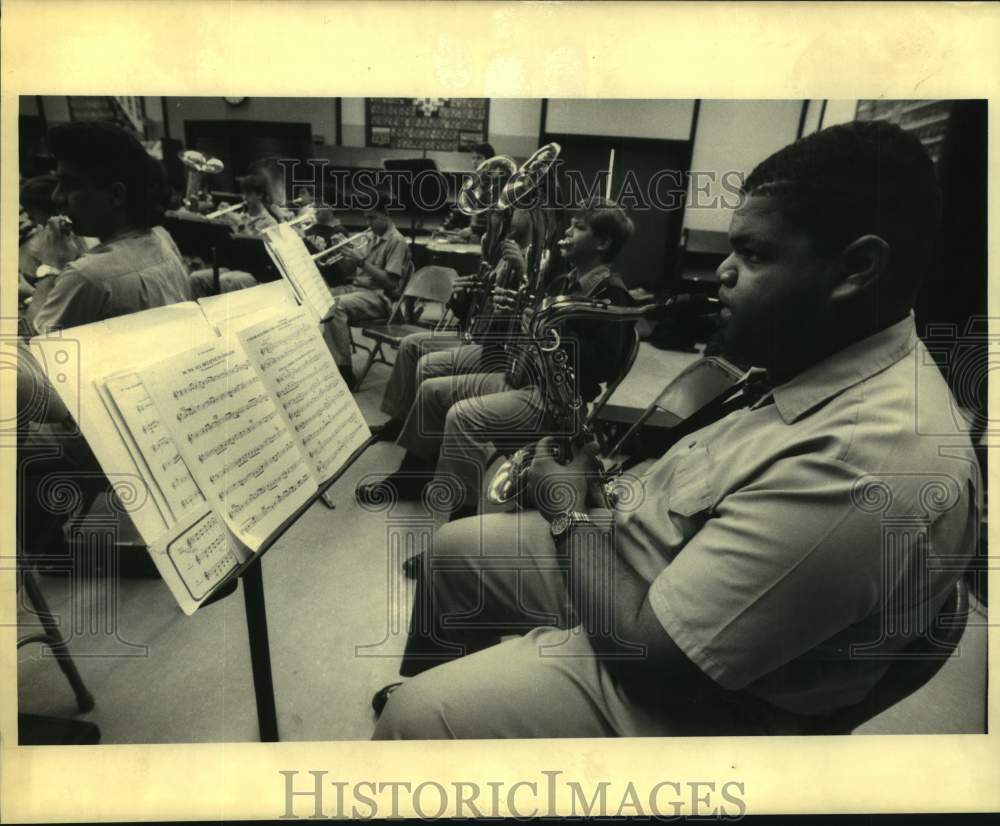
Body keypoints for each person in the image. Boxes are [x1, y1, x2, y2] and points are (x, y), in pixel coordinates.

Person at [372, 120, 979, 739]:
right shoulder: (815, 356)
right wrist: (599, 493)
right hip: (644, 564)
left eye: (755, 254)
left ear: (857, 269)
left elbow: (654, 663)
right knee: (454, 553)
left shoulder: (867, 457)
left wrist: (569, 509)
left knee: (416, 719)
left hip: (673, 678)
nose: (722, 272)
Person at [357, 198, 635, 522]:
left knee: (462, 417)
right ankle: (413, 475)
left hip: (556, 401)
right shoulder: (564, 282)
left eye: (579, 227)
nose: (568, 232)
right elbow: (514, 337)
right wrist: (512, 313)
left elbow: (603, 365)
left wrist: (541, 325)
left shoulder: (612, 294)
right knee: (433, 391)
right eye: (571, 224)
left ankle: (461, 523)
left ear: (601, 242)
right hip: (525, 375)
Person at [18, 120, 192, 567]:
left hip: (98, 439)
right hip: (154, 416)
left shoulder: (84, 276)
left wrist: (49, 269)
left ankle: (33, 540)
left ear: (115, 195)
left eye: (70, 185)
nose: (58, 200)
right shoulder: (163, 241)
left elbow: (41, 377)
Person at [322, 195, 413, 388]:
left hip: (381, 299)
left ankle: (344, 370)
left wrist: (361, 261)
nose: (368, 223)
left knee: (335, 306)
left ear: (386, 215)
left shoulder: (397, 241)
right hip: (358, 291)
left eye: (373, 218)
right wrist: (342, 251)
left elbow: (390, 283)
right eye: (366, 218)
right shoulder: (369, 237)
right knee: (319, 300)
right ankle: (327, 363)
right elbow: (349, 271)